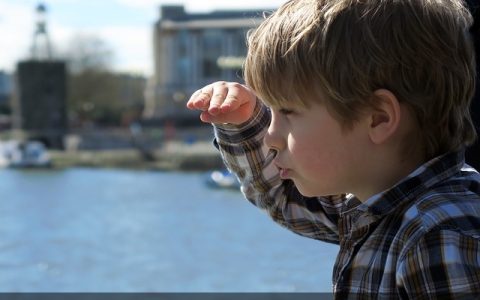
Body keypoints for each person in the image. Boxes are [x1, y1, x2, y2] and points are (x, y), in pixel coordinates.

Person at [187, 0, 480, 298]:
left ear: (378, 118)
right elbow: (284, 196)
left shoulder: (440, 239)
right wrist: (245, 123)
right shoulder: (375, 202)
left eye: (287, 111)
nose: (271, 136)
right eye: (270, 111)